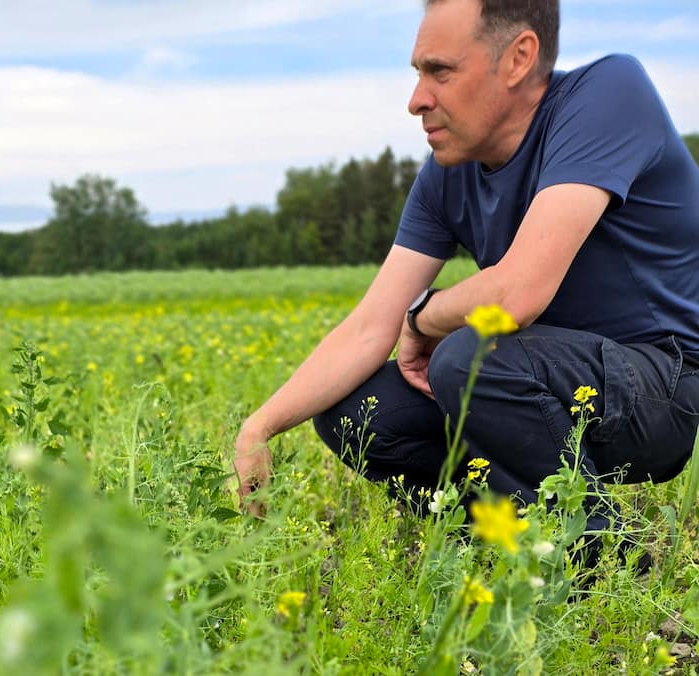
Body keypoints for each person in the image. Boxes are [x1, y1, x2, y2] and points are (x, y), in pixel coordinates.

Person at [233, 0, 699, 548]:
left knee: (468, 358)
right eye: (418, 73)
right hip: (550, 379)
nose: (416, 100)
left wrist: (423, 318)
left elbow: (516, 294)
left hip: (664, 386)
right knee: (358, 412)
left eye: (441, 71)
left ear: (519, 58)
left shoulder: (609, 95)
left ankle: (599, 560)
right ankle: (506, 540)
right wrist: (257, 428)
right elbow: (367, 328)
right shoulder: (446, 175)